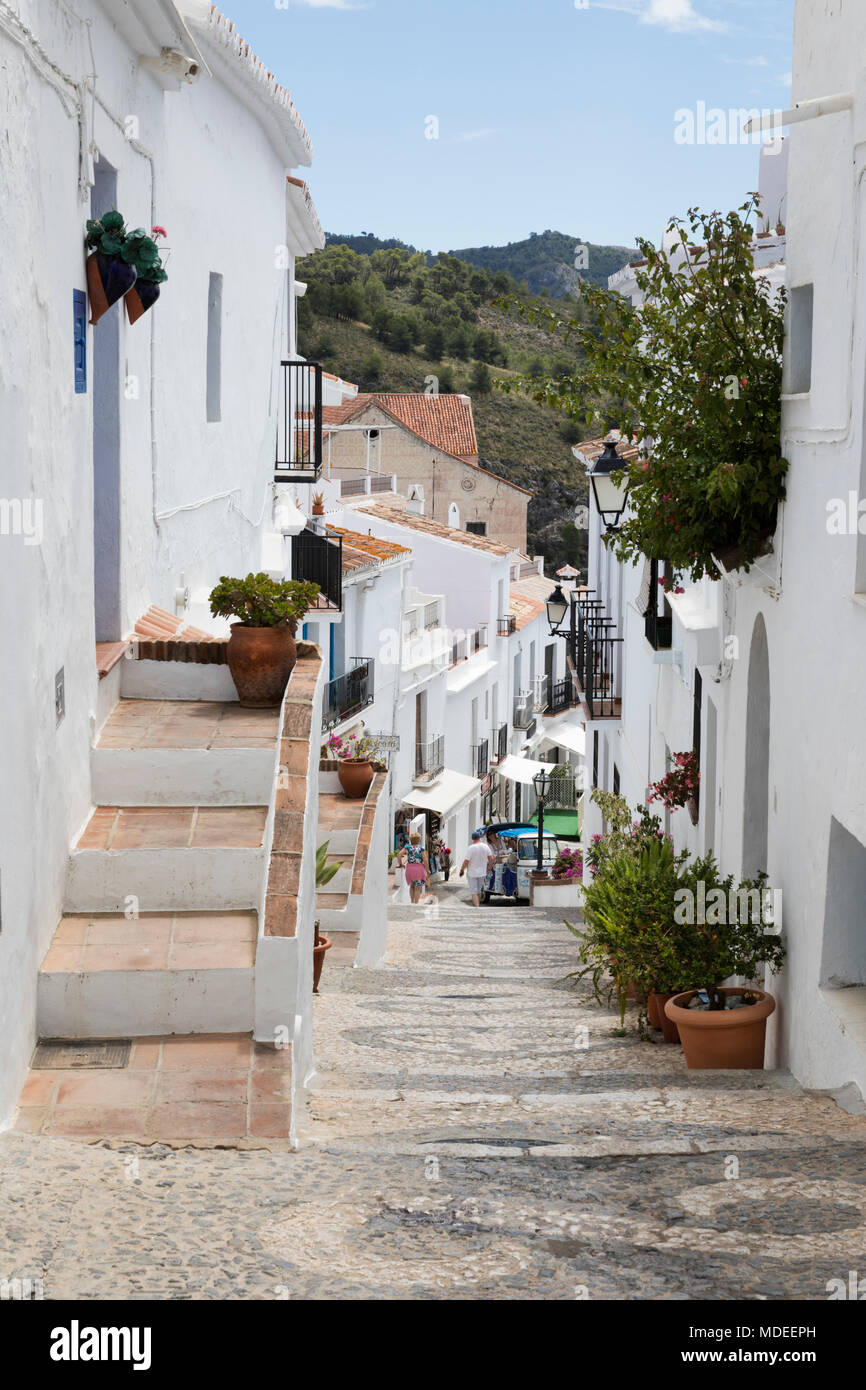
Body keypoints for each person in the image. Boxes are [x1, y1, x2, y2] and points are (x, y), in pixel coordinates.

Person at [459, 830, 495, 907]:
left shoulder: (471, 848)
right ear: (479, 837)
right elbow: (491, 859)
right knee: (478, 891)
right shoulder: (485, 846)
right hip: (482, 873)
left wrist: (462, 869)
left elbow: (466, 861)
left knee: (473, 891)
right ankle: (477, 905)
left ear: (472, 838)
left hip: (472, 873)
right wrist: (489, 869)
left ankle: (477, 907)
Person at [403, 833, 429, 904]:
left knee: (412, 886)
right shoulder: (421, 848)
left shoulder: (407, 847)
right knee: (418, 887)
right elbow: (425, 860)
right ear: (419, 840)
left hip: (410, 869)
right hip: (419, 869)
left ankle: (412, 902)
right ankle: (416, 903)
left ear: (411, 840)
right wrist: (427, 870)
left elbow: (399, 854)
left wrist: (400, 864)